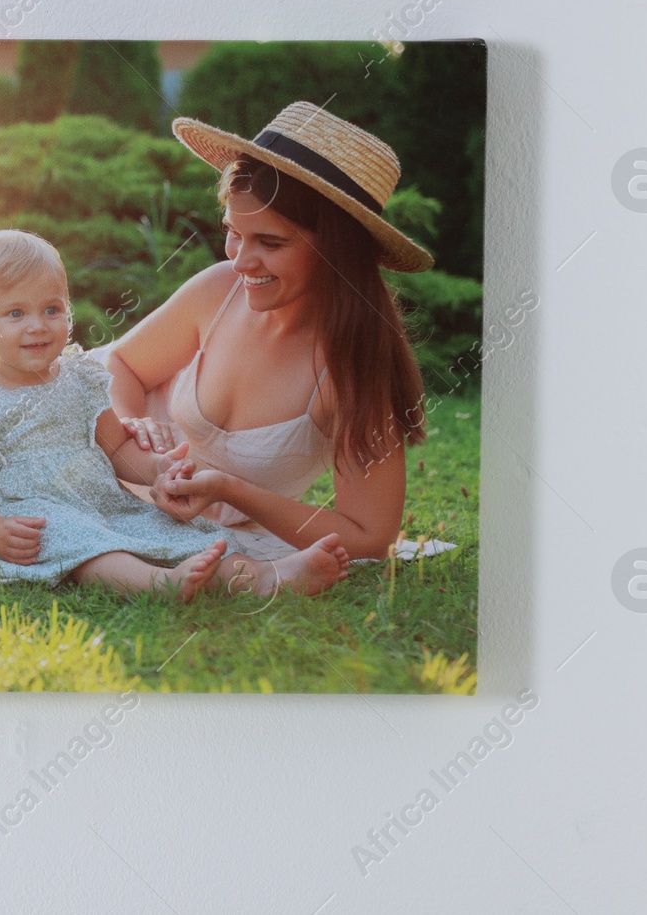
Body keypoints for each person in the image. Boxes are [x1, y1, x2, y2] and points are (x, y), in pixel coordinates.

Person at [108, 100, 434, 585]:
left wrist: (231, 490)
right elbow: (120, 365)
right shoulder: (218, 291)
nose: (241, 261)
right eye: (233, 234)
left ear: (336, 249)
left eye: (270, 243)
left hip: (190, 518)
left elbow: (369, 537)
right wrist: (129, 428)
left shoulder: (353, 372)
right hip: (119, 461)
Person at [0, 229, 351, 600]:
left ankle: (264, 576)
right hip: (35, 520)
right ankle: (156, 584)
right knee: (89, 547)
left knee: (174, 533)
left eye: (51, 309)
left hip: (103, 504)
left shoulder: (81, 379)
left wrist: (157, 471)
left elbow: (116, 447)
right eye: (15, 314)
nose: (38, 325)